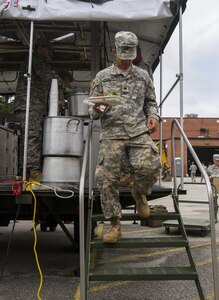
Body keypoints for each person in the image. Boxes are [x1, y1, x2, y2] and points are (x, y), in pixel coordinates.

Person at [89, 31, 161, 244]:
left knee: (151, 166)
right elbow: (93, 113)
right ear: (114, 51)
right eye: (123, 55)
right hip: (112, 133)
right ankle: (114, 225)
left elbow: (150, 102)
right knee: (105, 178)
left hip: (138, 130)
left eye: (130, 55)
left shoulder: (143, 75)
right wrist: (102, 105)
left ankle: (139, 194)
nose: (126, 59)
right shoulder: (102, 77)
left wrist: (153, 117)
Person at [14, 39, 57, 182]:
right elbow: (48, 76)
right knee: (32, 137)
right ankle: (32, 171)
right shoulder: (35, 60)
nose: (50, 53)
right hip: (30, 105)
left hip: (32, 106)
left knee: (28, 137)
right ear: (40, 48)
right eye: (49, 50)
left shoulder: (35, 60)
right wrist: (61, 82)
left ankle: (24, 170)